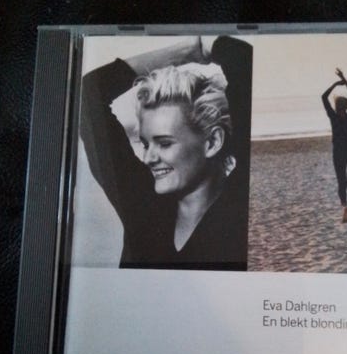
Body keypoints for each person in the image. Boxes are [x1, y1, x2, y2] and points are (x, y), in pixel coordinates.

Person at [80, 36, 252, 270]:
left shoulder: (240, 209)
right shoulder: (142, 206)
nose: (148, 158)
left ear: (212, 142)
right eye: (145, 144)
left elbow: (243, 60)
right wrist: (188, 51)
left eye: (164, 143)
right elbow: (87, 96)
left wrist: (208, 47)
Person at [322, 68, 347, 223]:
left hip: (339, 151)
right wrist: (345, 81)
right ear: (346, 107)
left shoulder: (333, 117)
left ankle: (345, 206)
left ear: (337, 107)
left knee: (342, 182)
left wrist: (336, 84)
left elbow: (324, 97)